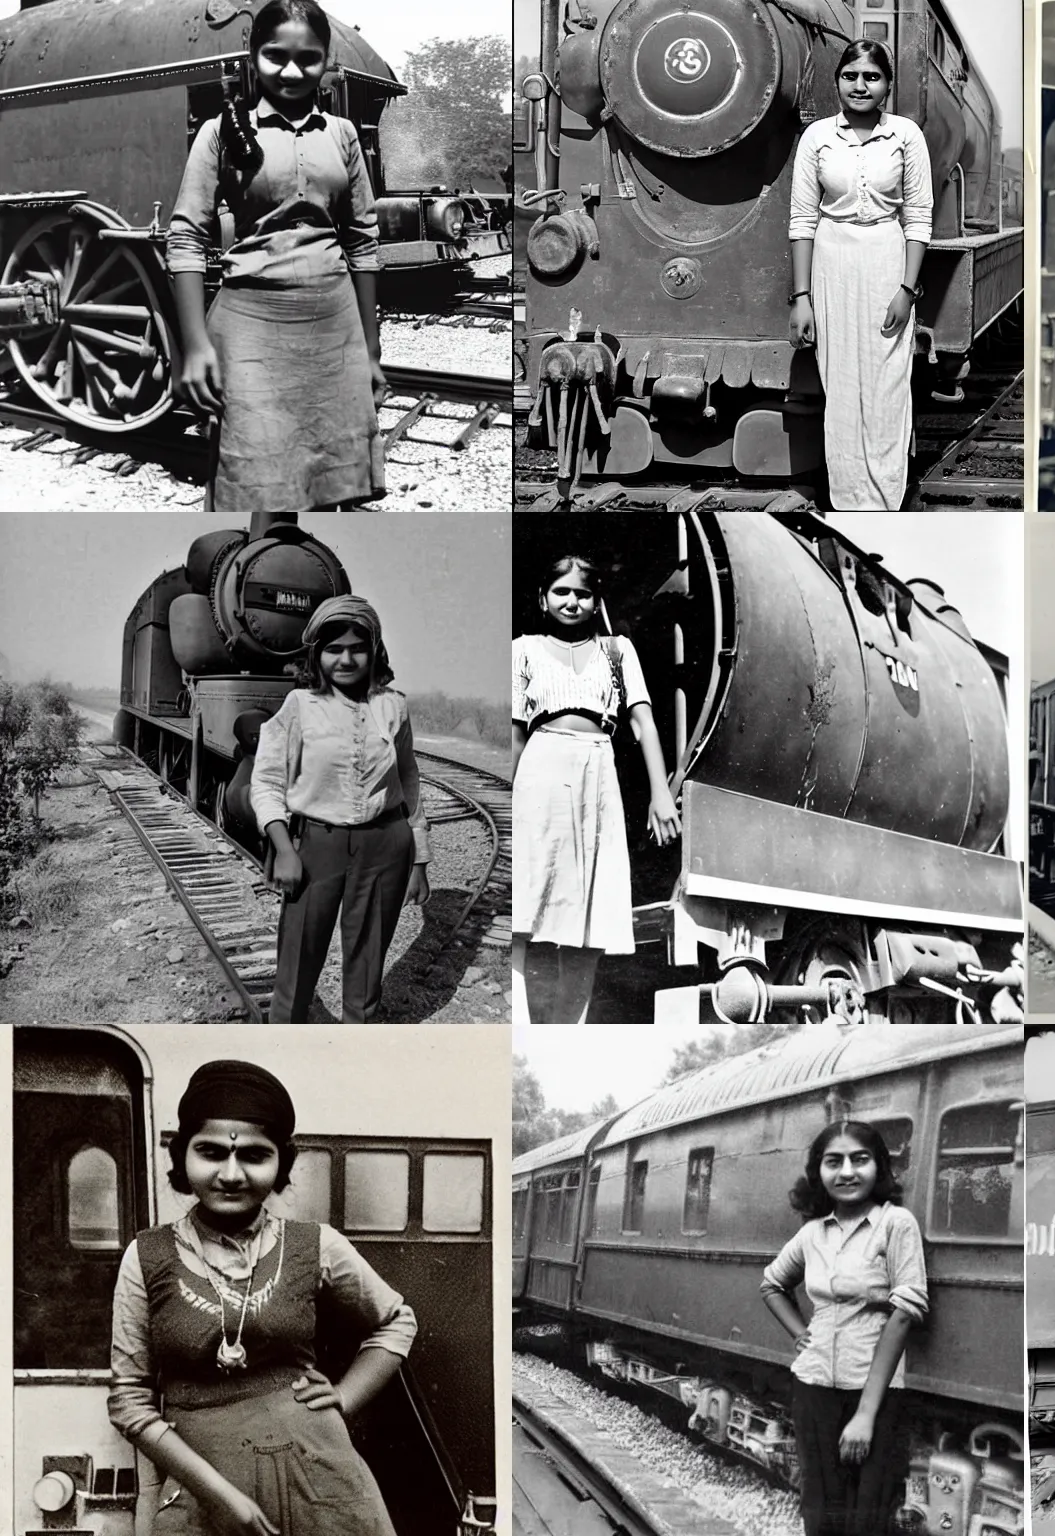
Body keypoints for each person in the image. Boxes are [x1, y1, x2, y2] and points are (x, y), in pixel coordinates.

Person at [108, 1060, 416, 1535]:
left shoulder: (316, 1244)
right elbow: (129, 1403)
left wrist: (344, 1397)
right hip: (205, 1494)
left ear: (281, 1163)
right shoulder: (146, 1256)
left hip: (325, 1485)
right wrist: (221, 1497)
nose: (231, 1174)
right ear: (180, 1155)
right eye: (210, 1152)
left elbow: (397, 1320)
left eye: (254, 1155)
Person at [167, 0, 387, 514]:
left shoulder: (343, 135)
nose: (291, 71)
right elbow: (186, 238)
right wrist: (195, 347)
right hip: (249, 332)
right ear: (252, 54)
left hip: (334, 329)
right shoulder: (220, 132)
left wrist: (371, 353)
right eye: (275, 56)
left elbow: (363, 242)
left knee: (331, 486)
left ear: (326, 60)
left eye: (308, 58)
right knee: (254, 483)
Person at [510, 556, 680, 1023]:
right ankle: (519, 1023)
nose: (572, 601)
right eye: (561, 591)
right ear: (543, 598)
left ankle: (571, 1026)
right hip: (540, 772)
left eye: (582, 593)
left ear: (596, 600)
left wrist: (659, 794)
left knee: (588, 916)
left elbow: (643, 722)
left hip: (598, 776)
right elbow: (516, 735)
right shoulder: (522, 649)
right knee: (527, 902)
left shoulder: (617, 650)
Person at [250, 596, 430, 1023]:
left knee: (367, 969)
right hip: (317, 846)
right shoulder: (299, 705)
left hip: (386, 846)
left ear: (375, 650)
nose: (346, 659)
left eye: (357, 648)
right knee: (298, 962)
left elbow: (409, 779)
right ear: (316, 654)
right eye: (334, 649)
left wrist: (420, 857)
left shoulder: (394, 706)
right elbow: (267, 782)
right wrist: (285, 849)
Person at [761, 1121, 927, 1536]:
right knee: (819, 1512)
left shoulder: (896, 1224)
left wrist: (866, 1415)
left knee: (867, 1516)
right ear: (818, 1171)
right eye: (833, 1162)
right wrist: (801, 1334)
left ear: (879, 1167)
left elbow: (905, 1311)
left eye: (860, 1159)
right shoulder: (811, 1234)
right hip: (812, 1387)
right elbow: (772, 1285)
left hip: (872, 1393)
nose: (847, 1172)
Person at [788, 39, 933, 511]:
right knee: (842, 385)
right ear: (837, 82)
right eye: (850, 76)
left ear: (888, 85)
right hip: (833, 264)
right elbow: (803, 220)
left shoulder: (906, 136)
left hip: (887, 262)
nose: (860, 85)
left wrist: (907, 290)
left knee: (889, 383)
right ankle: (849, 500)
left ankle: (887, 500)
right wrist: (802, 297)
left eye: (871, 77)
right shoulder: (817, 139)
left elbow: (919, 218)